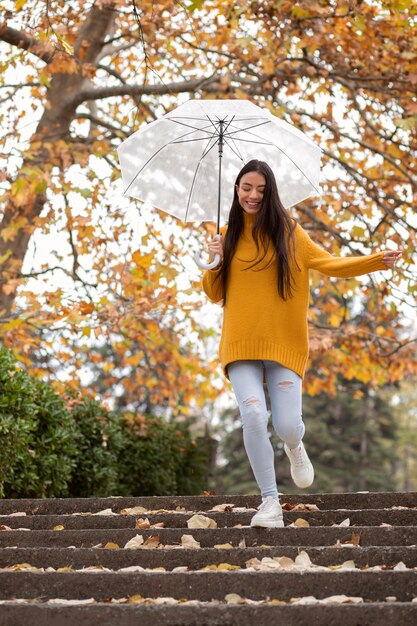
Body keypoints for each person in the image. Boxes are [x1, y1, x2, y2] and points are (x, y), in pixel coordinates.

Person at [202, 159, 402, 529]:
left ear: (271, 192)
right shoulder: (226, 235)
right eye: (247, 187)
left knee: (288, 426)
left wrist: (376, 260)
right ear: (236, 188)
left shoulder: (292, 234)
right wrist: (213, 259)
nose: (253, 195)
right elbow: (215, 294)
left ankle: (295, 445)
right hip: (240, 346)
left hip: (284, 345)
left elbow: (331, 263)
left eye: (261, 189)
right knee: (253, 416)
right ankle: (270, 503)